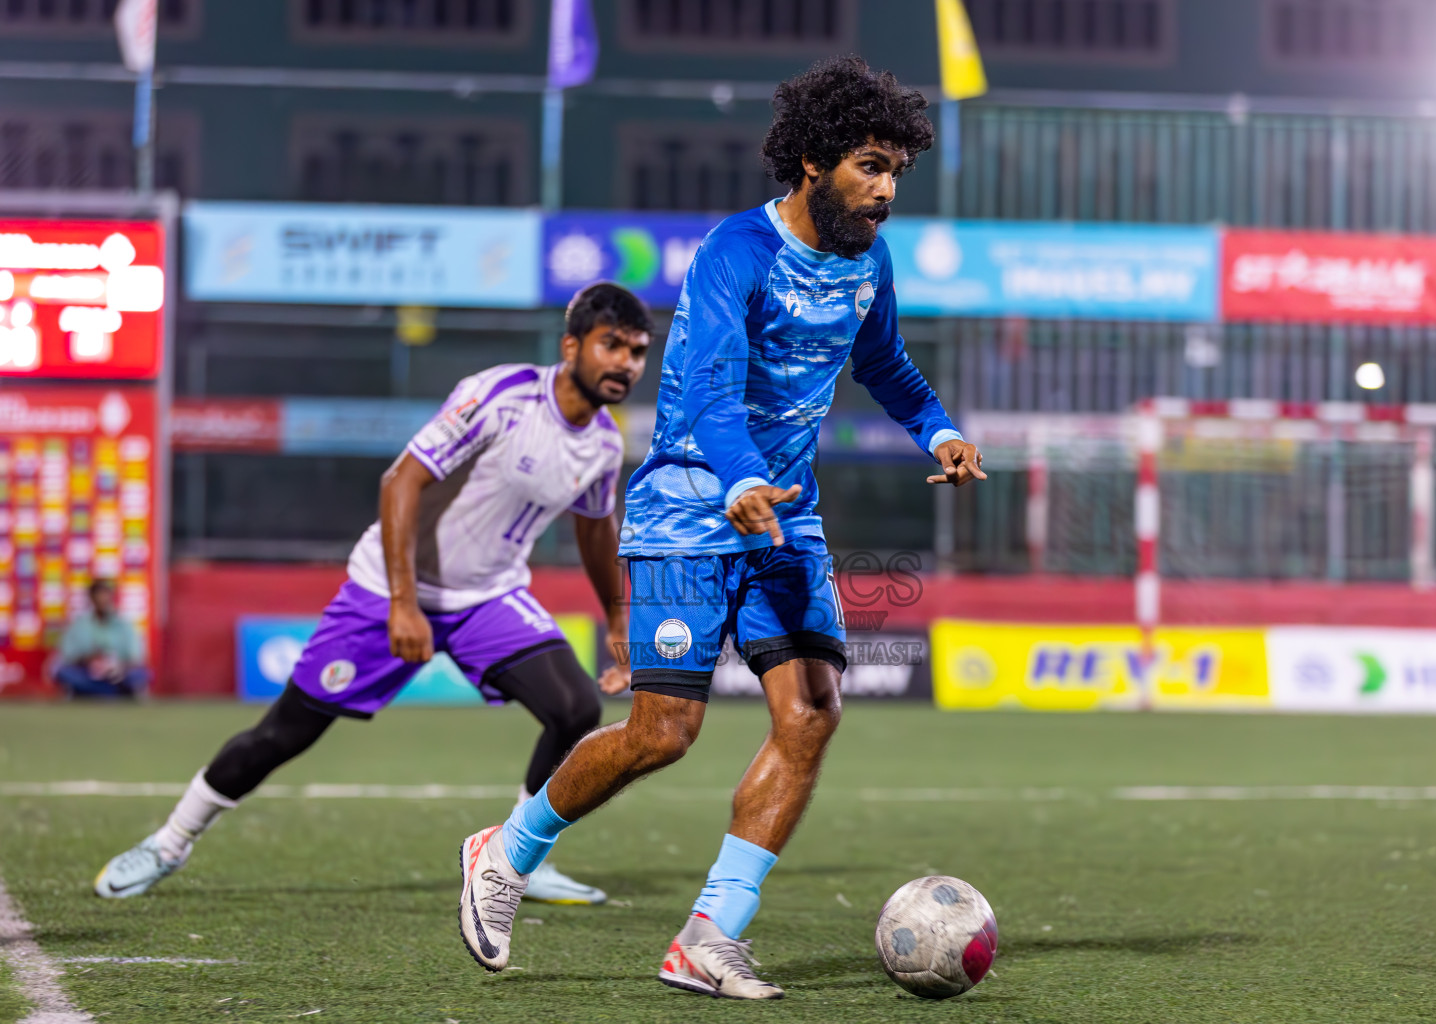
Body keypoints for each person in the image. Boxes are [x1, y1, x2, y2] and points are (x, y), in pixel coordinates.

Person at [457, 57, 986, 998]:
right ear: (814, 160)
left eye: (896, 169)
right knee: (664, 732)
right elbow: (705, 388)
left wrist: (939, 429)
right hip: (687, 513)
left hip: (787, 517)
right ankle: (505, 851)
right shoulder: (734, 252)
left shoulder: (869, 255)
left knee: (813, 712)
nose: (886, 189)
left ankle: (710, 934)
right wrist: (740, 480)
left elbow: (886, 360)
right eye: (870, 165)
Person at [94, 283, 652, 905]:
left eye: (636, 351)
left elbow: (595, 525)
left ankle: (517, 857)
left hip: (487, 599)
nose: (625, 364)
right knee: (285, 734)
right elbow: (400, 482)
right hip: (386, 587)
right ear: (571, 344)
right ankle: (168, 843)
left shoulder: (604, 442)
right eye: (612, 346)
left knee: (575, 709)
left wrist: (617, 615)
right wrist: (403, 601)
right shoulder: (499, 396)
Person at [54, 579, 151, 699]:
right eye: (98, 596)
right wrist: (89, 659)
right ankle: (106, 693)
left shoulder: (124, 625)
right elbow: (67, 656)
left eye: (105, 596)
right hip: (88, 675)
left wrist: (115, 664)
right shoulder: (79, 625)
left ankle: (100, 693)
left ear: (111, 597)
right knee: (65, 673)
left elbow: (136, 658)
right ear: (91, 599)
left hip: (118, 675)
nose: (102, 600)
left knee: (140, 674)